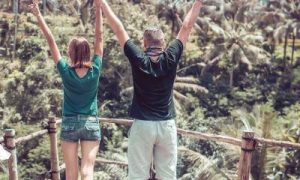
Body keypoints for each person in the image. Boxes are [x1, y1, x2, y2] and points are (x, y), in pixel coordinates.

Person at [99, 0, 203, 179]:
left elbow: (118, 28)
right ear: (163, 43)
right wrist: (199, 2)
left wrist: (101, 2)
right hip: (166, 125)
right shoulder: (171, 56)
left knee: (137, 175)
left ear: (144, 43)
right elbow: (186, 26)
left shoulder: (139, 58)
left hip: (143, 125)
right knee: (168, 175)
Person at [28, 0, 103, 179]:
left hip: (69, 122)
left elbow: (51, 40)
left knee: (71, 173)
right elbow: (99, 37)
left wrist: (38, 15)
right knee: (87, 170)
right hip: (91, 122)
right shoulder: (96, 69)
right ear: (87, 52)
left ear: (71, 53)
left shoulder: (65, 71)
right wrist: (99, 9)